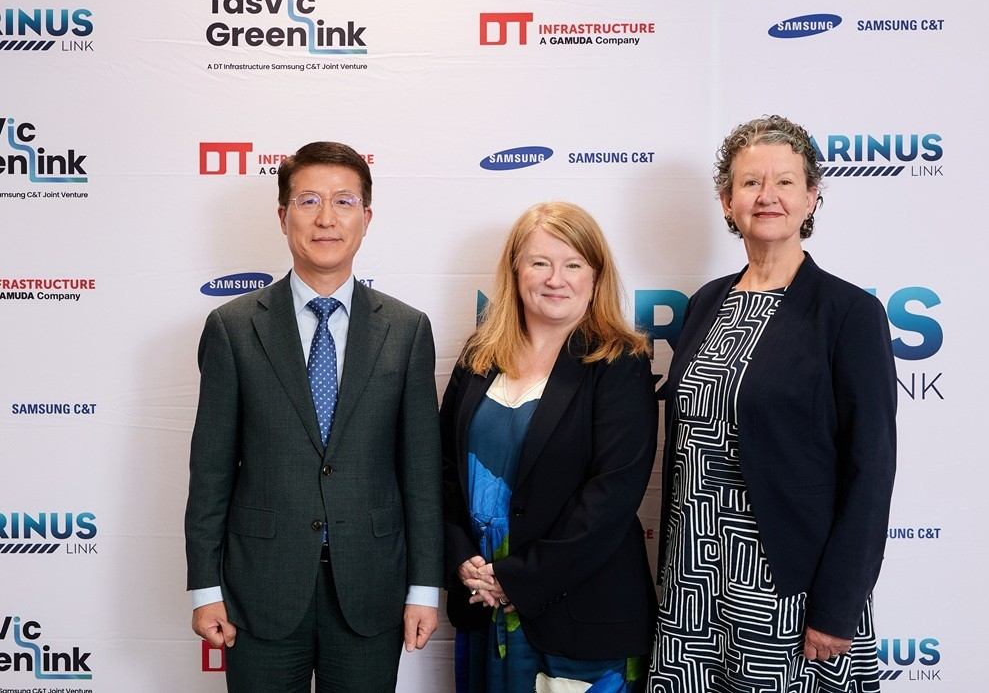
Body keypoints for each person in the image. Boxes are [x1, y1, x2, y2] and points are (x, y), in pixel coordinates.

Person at [648, 115, 897, 692]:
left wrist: (837, 607)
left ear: (811, 197)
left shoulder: (849, 315)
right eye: (750, 183)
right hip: (692, 579)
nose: (767, 197)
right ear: (727, 201)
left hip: (787, 587)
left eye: (785, 182)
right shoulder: (706, 303)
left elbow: (871, 470)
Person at [184, 141, 443, 692]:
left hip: (371, 587)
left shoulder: (407, 330)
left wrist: (424, 588)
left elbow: (421, 473)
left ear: (366, 218)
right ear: (283, 216)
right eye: (308, 201)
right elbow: (209, 469)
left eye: (344, 202)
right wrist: (205, 587)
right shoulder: (232, 328)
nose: (327, 218)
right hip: (261, 586)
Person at [441, 201, 658, 692]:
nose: (555, 278)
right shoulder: (479, 356)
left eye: (573, 264)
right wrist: (461, 558)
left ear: (596, 276)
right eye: (540, 262)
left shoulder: (620, 362)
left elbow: (612, 495)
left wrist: (516, 578)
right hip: (483, 606)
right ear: (515, 271)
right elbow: (442, 469)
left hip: (578, 617)